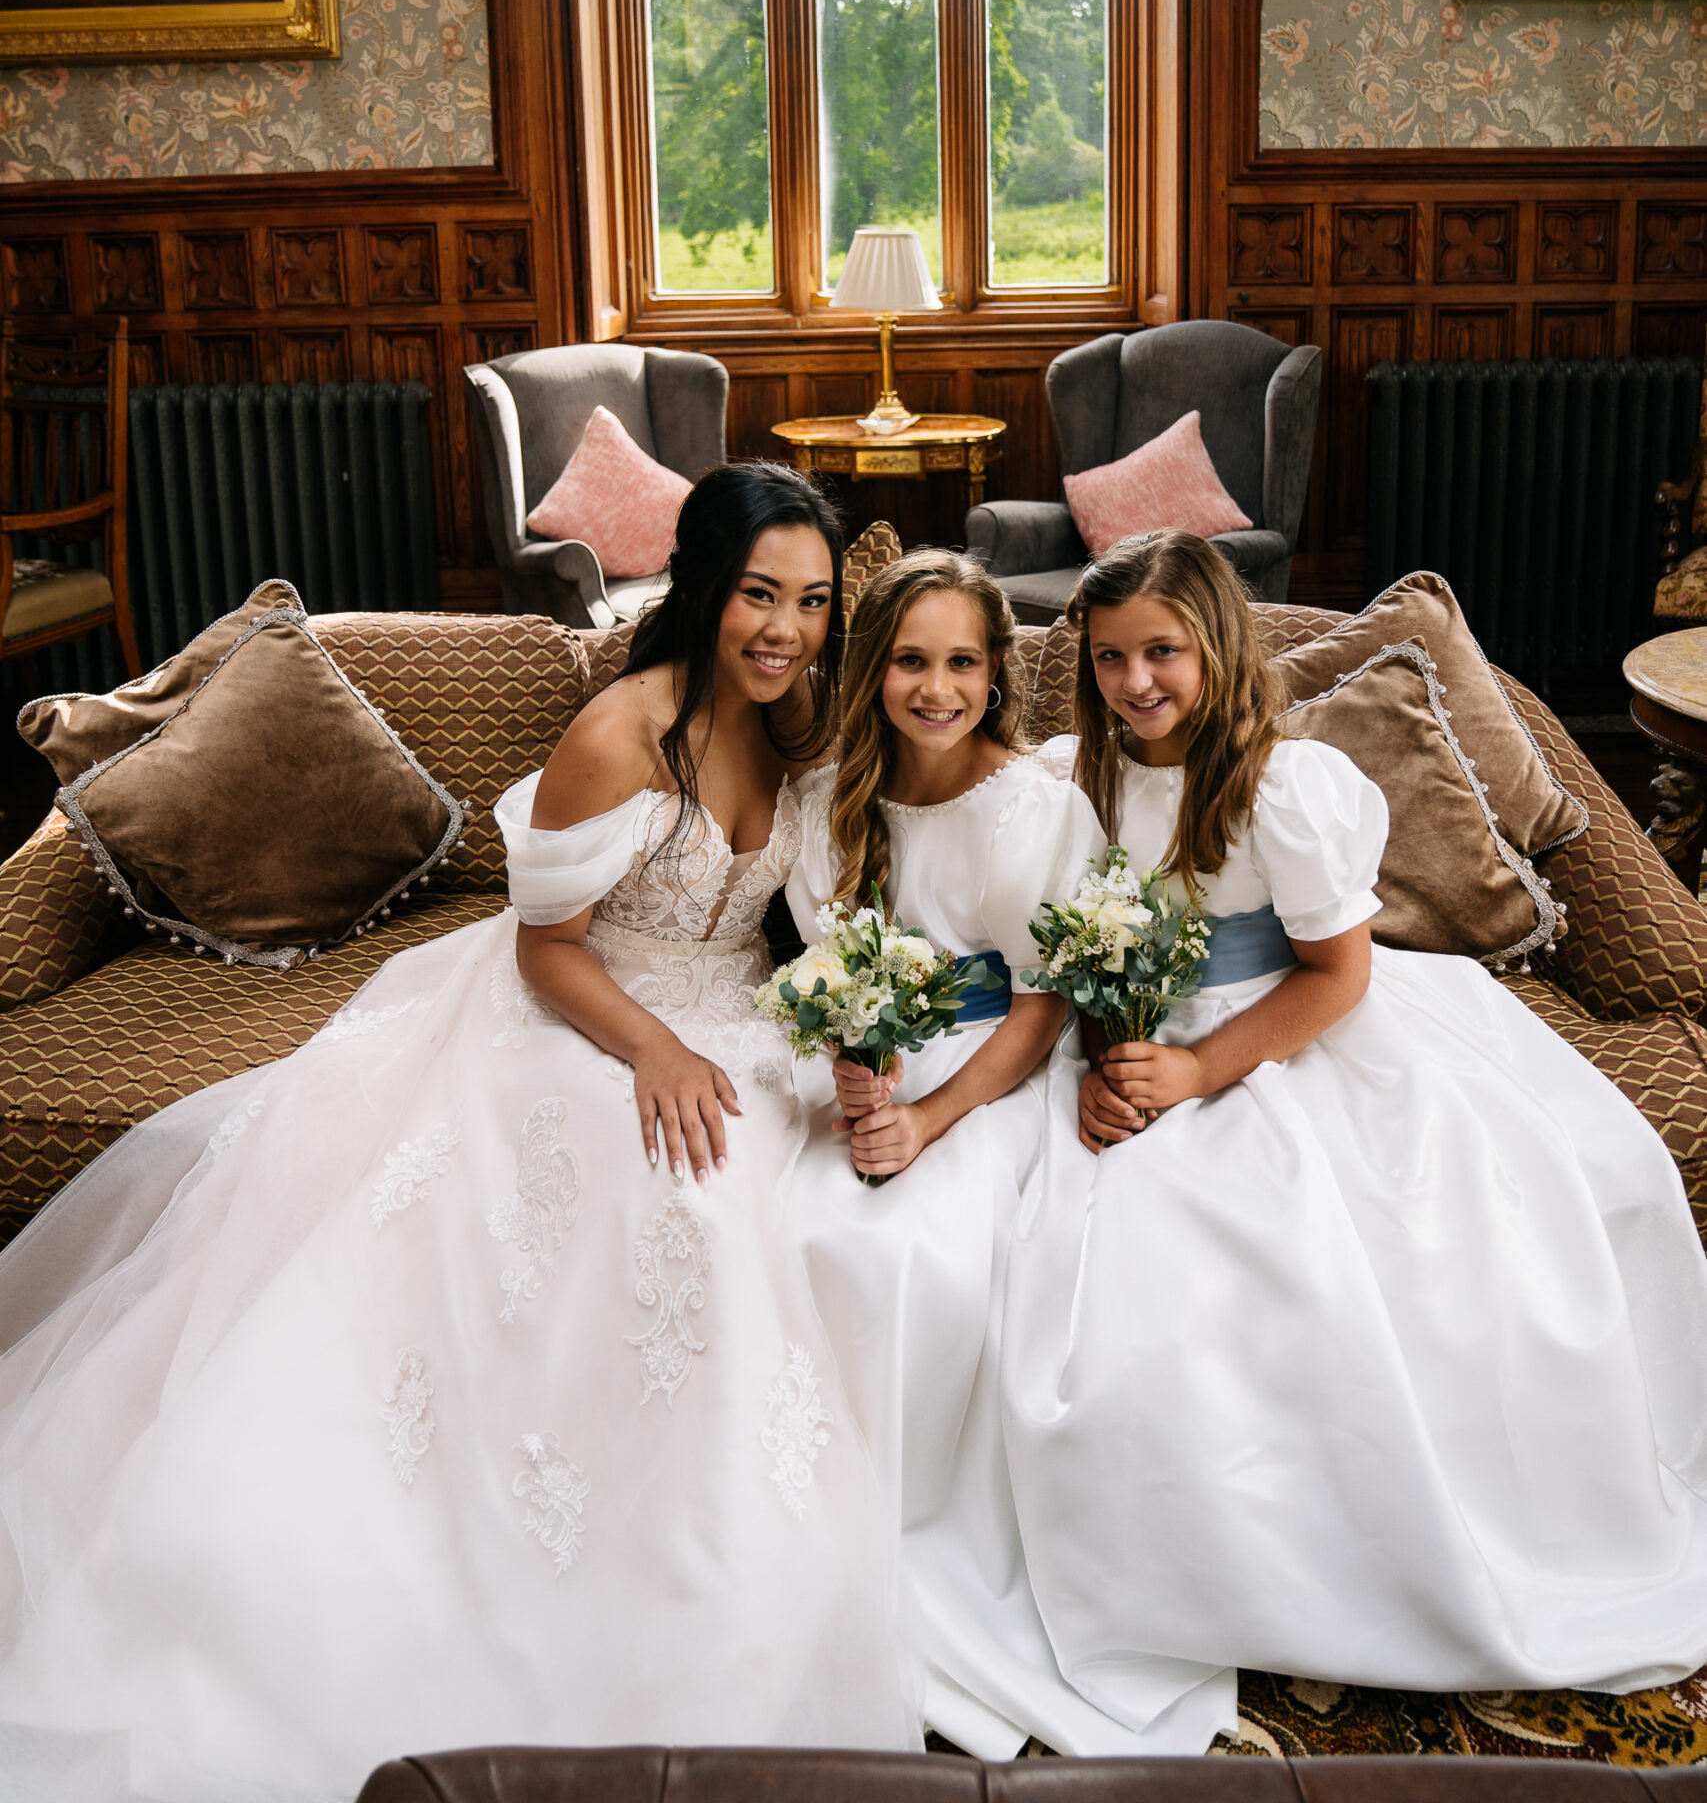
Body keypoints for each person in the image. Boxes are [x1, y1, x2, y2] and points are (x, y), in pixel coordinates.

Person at [0, 463, 918, 1803]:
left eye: (813, 602)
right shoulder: (619, 729)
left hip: (738, 1018)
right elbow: (545, 948)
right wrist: (652, 1049)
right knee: (666, 1198)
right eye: (758, 595)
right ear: (707, 586)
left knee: (823, 1198)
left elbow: (820, 919)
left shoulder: (799, 729)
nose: (784, 628)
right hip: (583, 1014)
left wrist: (855, 1026)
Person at [1002, 528, 1707, 1738]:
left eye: (1161, 651)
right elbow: (1064, 948)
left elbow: (1337, 978)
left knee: (1332, 1236)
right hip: (1130, 1033)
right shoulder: (1081, 778)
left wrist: (1194, 1072)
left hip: (1283, 1029)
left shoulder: (1280, 784)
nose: (1136, 685)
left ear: (1217, 647)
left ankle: (1362, 1550)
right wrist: (1098, 1056)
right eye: (1110, 659)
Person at [783, 551, 1218, 1758]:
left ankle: (922, 1543)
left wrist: (927, 1119)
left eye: (962, 662)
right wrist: (862, 1077)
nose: (936, 688)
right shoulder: (832, 797)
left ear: (996, 672)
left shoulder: (1035, 804)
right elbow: (828, 973)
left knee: (921, 1250)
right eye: (911, 661)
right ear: (875, 671)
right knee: (799, 1222)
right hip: (878, 1052)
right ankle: (798, 1537)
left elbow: (1038, 1008)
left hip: (994, 1075)